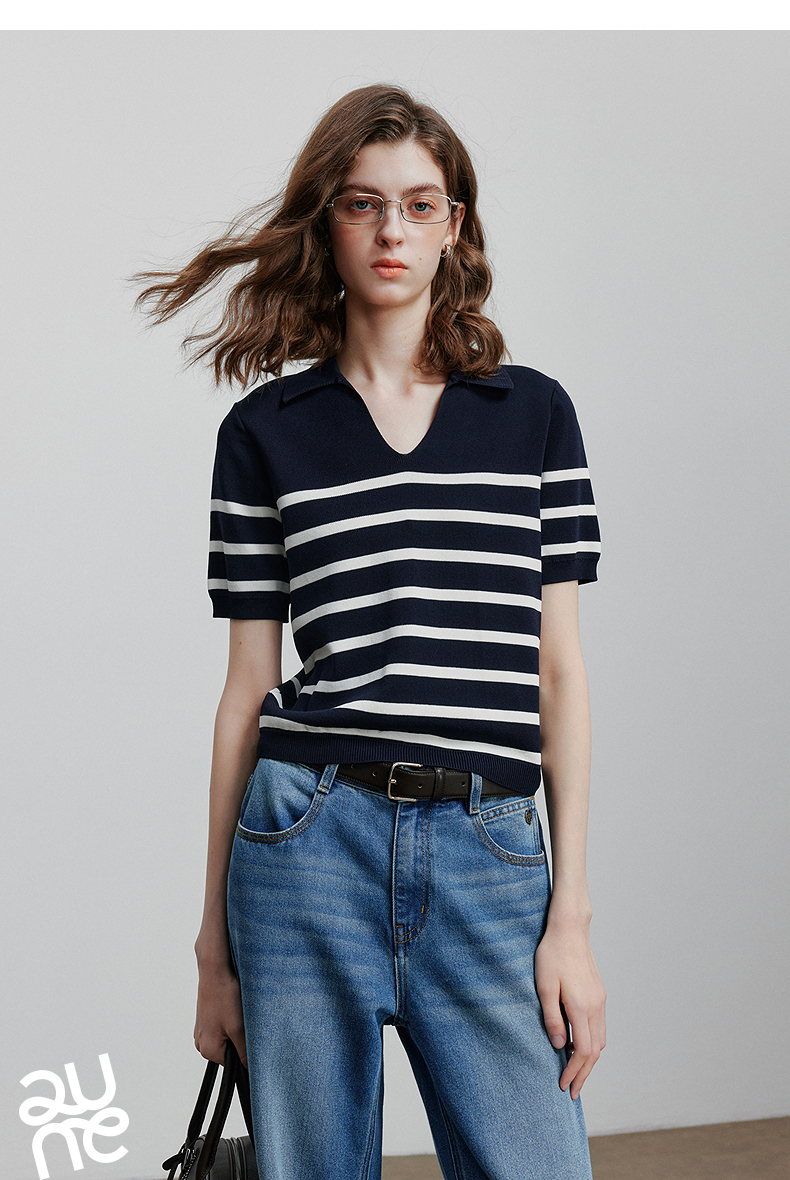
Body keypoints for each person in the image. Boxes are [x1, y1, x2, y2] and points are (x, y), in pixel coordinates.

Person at [136, 83, 606, 1180]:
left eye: (419, 204)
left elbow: (559, 672)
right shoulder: (264, 433)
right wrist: (212, 948)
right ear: (329, 222)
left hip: (491, 847)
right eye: (362, 203)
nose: (392, 229)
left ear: (453, 226)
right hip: (306, 846)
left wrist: (571, 918)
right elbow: (246, 688)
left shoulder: (534, 415)